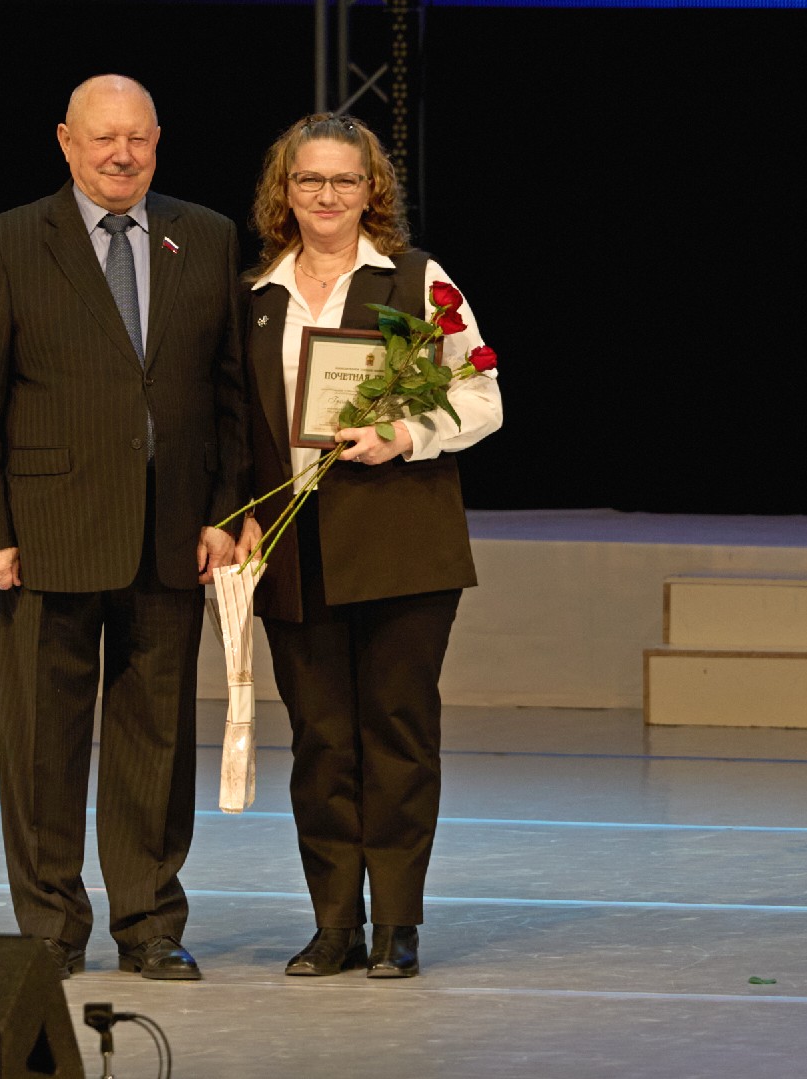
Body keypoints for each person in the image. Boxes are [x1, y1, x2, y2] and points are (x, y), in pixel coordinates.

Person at [0, 74, 249, 981]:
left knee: (157, 741)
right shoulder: (7, 241)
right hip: (46, 532)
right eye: (104, 138)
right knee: (43, 742)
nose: (122, 155)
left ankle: (149, 922)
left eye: (138, 139)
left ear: (158, 141)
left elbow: (231, 390)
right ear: (66, 141)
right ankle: (50, 925)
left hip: (171, 531)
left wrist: (226, 513)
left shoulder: (206, 235)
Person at [234, 113, 502, 978]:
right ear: (284, 191)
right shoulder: (256, 295)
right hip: (293, 548)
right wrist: (235, 517)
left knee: (397, 732)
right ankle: (334, 923)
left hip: (399, 542)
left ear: (371, 190)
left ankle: (396, 921)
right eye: (309, 180)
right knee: (320, 743)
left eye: (345, 180)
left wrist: (406, 434)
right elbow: (233, 425)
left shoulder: (417, 280)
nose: (327, 195)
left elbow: (484, 396)